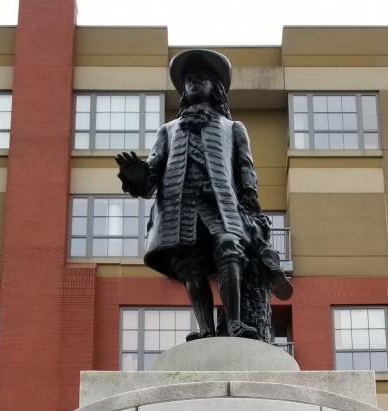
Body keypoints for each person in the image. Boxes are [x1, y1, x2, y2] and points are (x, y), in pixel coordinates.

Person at [115, 48, 292, 342]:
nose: (193, 82)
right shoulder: (167, 131)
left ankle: (234, 324)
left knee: (229, 247)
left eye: (201, 77)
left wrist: (249, 200)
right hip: (179, 206)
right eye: (189, 79)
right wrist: (137, 176)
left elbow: (245, 167)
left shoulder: (233, 128)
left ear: (216, 87)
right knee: (190, 264)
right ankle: (206, 329)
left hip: (220, 204)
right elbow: (151, 176)